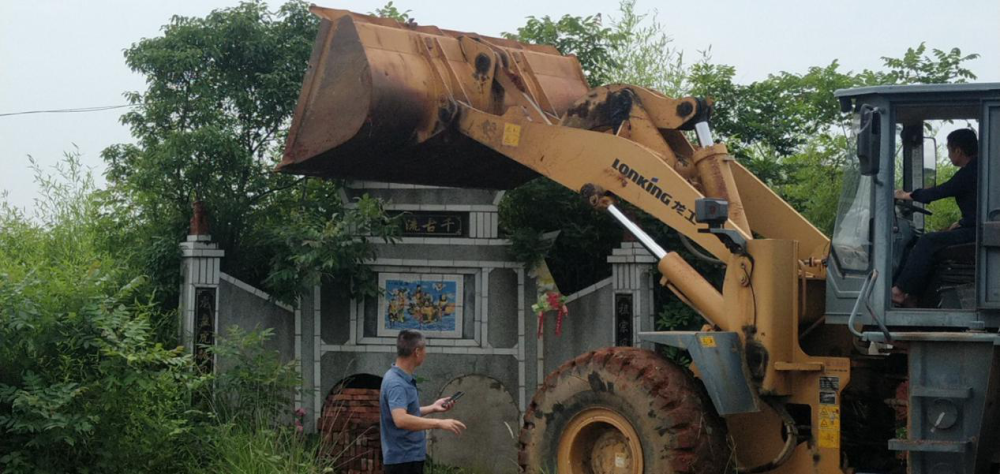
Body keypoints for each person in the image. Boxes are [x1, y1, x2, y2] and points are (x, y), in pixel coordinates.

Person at [892, 128, 979, 306]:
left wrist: (906, 195)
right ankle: (914, 296)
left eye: (948, 150)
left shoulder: (970, 172)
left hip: (977, 232)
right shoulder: (979, 169)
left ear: (958, 151)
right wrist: (962, 222)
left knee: (928, 241)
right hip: (974, 227)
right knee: (928, 240)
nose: (948, 155)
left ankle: (899, 291)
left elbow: (941, 191)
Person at [380, 329, 466, 474]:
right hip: (402, 461)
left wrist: (433, 408)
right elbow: (400, 419)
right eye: (425, 349)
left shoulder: (400, 378)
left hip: (409, 458)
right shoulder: (396, 383)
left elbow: (405, 412)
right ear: (417, 351)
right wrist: (439, 423)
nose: (426, 354)